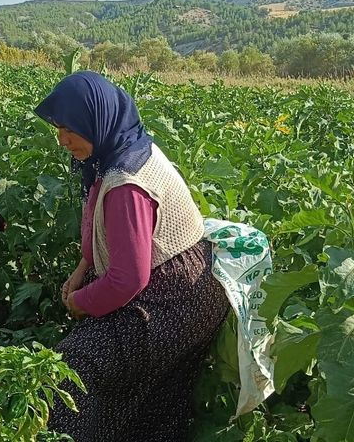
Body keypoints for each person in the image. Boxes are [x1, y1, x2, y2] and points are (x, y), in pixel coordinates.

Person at [34, 71, 230, 441]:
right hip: (181, 279)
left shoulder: (127, 182)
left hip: (180, 299)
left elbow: (128, 279)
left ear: (94, 120)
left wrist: (80, 303)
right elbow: (107, 232)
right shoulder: (121, 147)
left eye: (68, 129)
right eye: (57, 128)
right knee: (149, 397)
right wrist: (84, 268)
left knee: (70, 370)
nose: (61, 140)